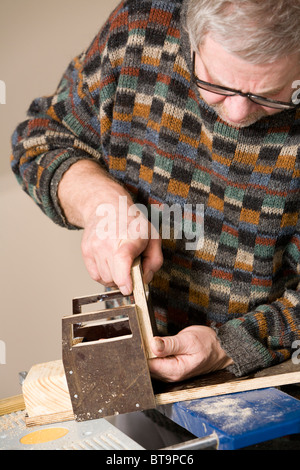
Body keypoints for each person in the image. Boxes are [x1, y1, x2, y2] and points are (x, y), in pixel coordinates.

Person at [10, 0, 300, 383]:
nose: (236, 115)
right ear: (191, 35)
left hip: (277, 387)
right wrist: (102, 206)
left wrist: (229, 345)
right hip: (139, 375)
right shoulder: (140, 29)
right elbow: (41, 141)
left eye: (269, 95)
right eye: (214, 83)